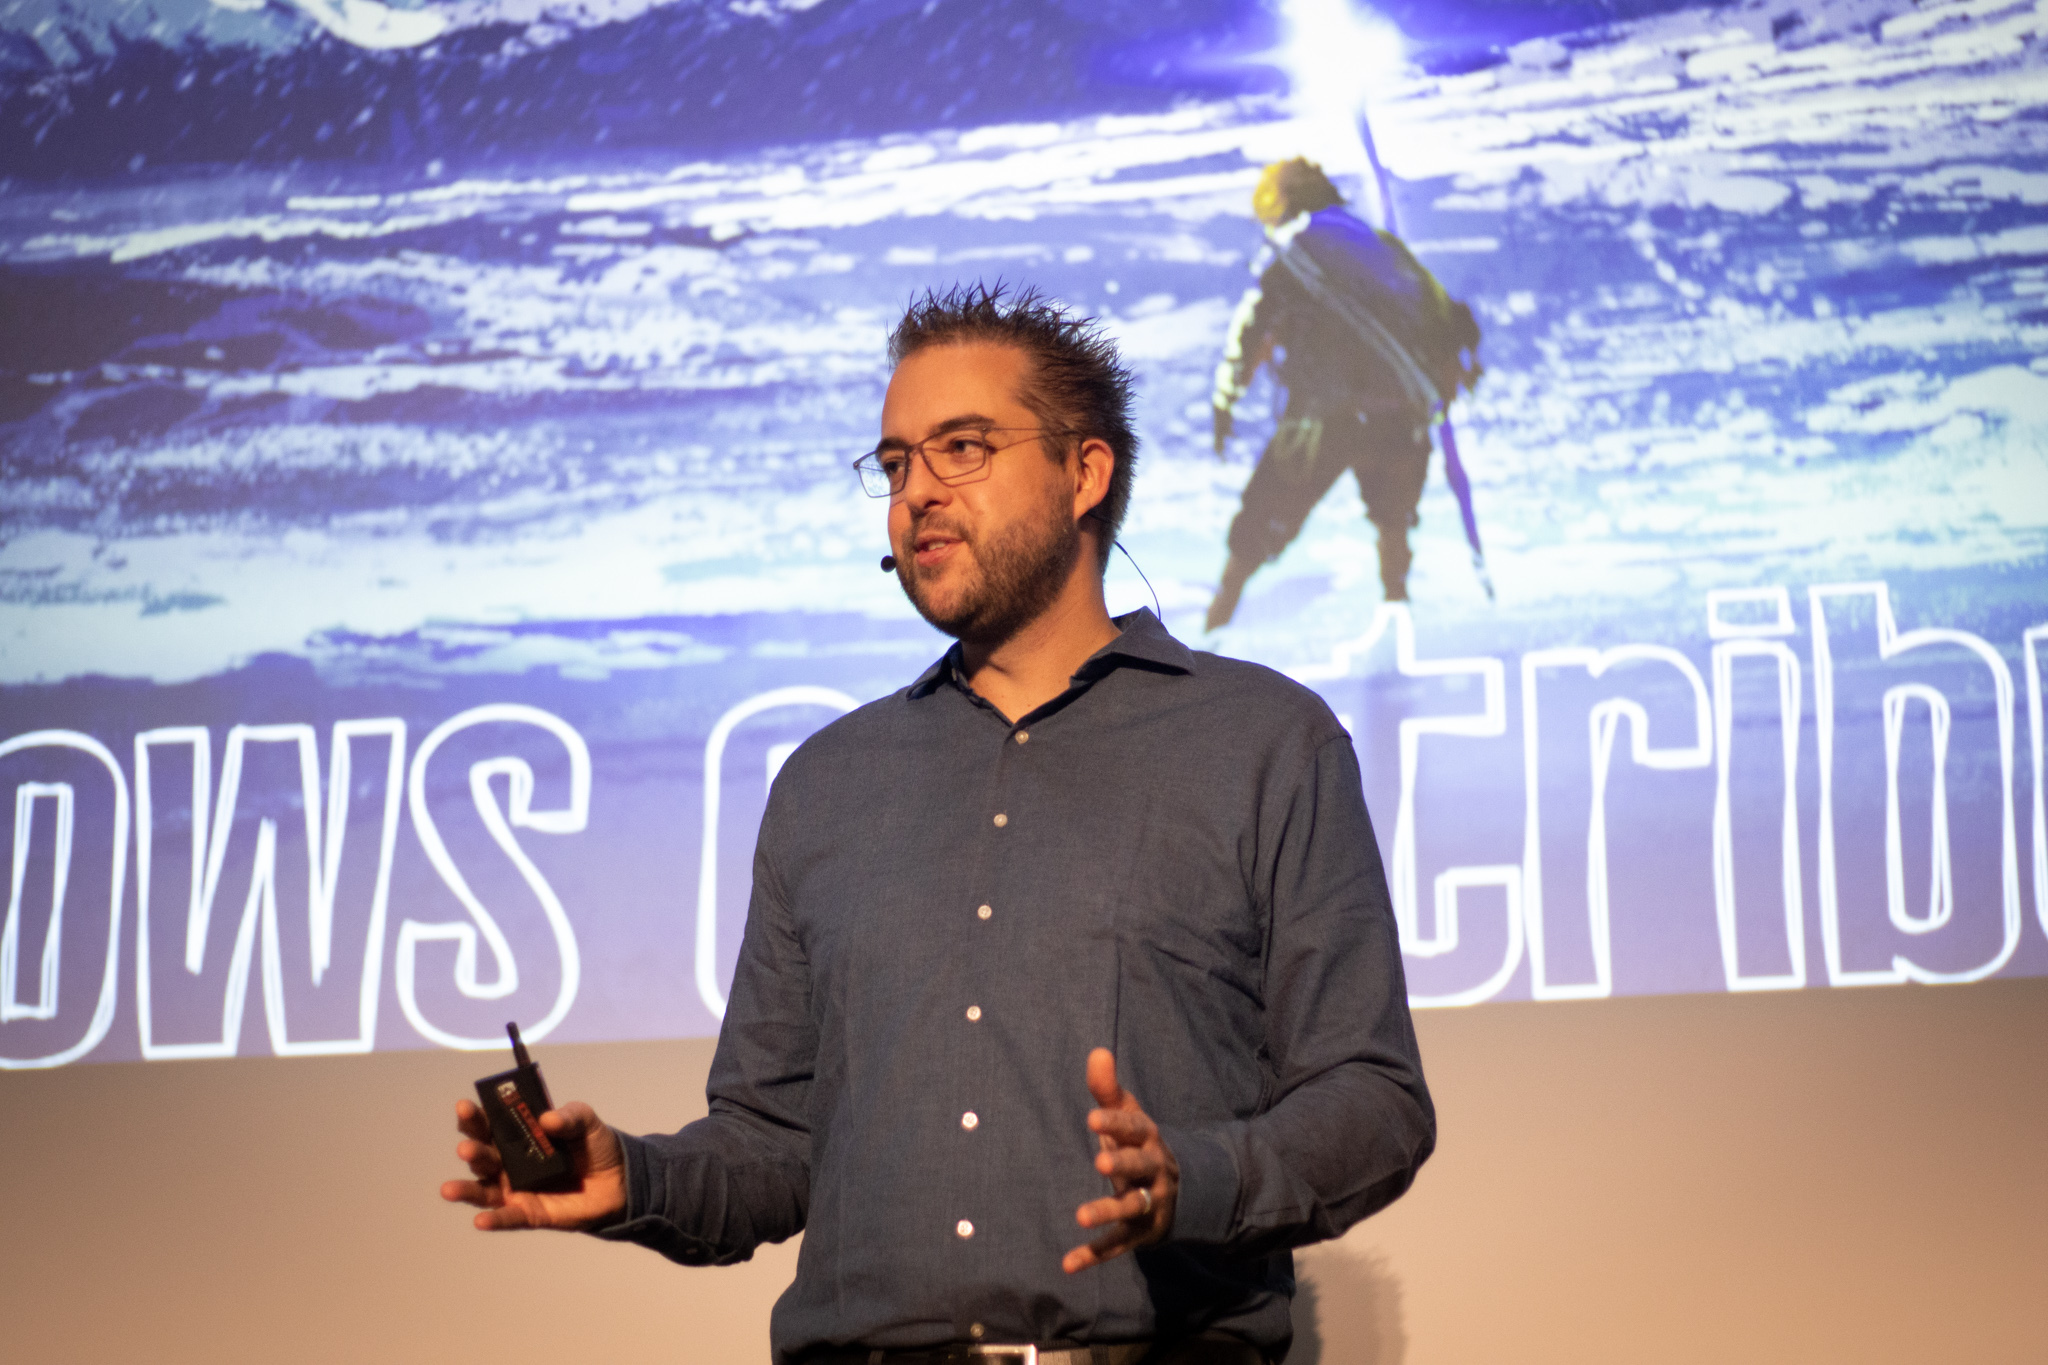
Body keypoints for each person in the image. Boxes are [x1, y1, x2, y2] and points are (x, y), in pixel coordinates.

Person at [441, 283, 1435, 1364]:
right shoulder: (830, 784)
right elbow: (777, 1145)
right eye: (896, 461)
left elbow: (1371, 1100)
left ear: (1083, 474)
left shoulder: (1261, 744)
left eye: (962, 448)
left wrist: (1195, 1178)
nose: (915, 492)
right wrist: (635, 1178)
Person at [1206, 159, 1482, 628]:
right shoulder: (1381, 245)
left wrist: (1226, 401)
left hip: (1321, 419)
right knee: (1393, 524)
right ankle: (1398, 619)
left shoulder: (1292, 253)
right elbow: (1445, 319)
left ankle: (1214, 627)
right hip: (1400, 416)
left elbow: (1253, 330)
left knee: (1262, 521)